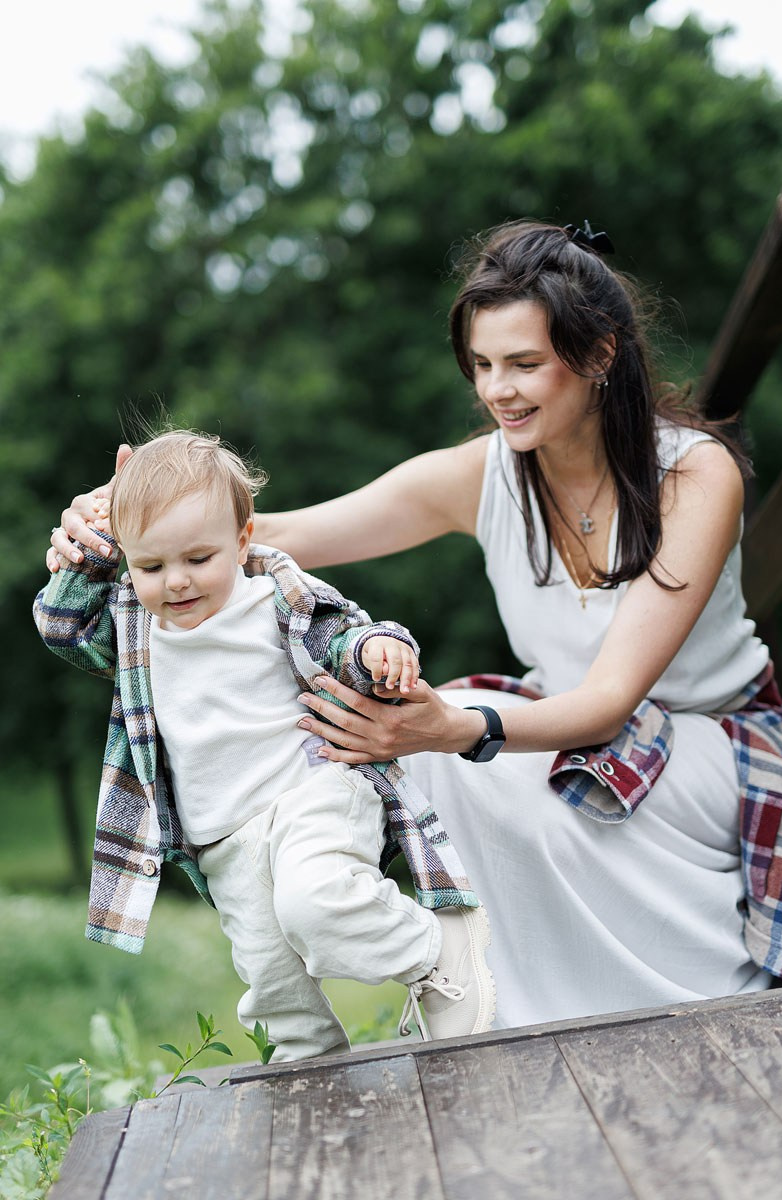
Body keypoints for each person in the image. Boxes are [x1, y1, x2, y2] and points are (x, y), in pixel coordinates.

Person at [48, 221, 782, 1031]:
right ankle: (493, 1001)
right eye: (482, 365)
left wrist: (449, 725)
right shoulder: (483, 473)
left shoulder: (692, 471)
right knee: (413, 748)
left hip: (713, 747)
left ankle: (613, 992)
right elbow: (260, 536)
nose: (497, 390)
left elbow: (613, 700)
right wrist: (118, 526)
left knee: (438, 740)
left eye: (523, 364)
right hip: (574, 731)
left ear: (599, 355)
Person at [35, 429, 496, 1061]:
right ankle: (310, 1072)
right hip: (223, 838)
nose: (175, 582)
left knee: (317, 902)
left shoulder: (271, 595)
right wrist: (92, 551)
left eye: (198, 559)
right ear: (128, 561)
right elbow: (62, 628)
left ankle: (435, 951)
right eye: (151, 566)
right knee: (274, 984)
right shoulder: (132, 626)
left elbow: (340, 636)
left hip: (312, 792)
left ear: (243, 536)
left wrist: (376, 651)